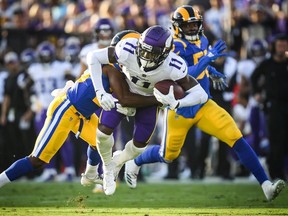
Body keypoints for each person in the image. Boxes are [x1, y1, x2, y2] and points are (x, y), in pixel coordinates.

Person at [124, 5, 286, 201]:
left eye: (195, 25)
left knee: (236, 138)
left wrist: (212, 71)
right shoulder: (173, 45)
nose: (192, 29)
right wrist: (208, 59)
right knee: (167, 155)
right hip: (180, 109)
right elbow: (185, 75)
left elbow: (201, 66)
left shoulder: (204, 39)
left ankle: (266, 185)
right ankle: (135, 162)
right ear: (177, 27)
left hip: (203, 104)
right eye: (188, 26)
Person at [87, 25, 210, 195]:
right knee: (102, 132)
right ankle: (108, 167)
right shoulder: (128, 48)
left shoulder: (174, 66)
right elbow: (93, 57)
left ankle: (119, 161)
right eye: (143, 50)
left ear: (165, 53)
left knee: (139, 147)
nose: (145, 56)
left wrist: (177, 104)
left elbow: (201, 95)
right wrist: (100, 92)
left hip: (149, 101)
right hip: (125, 90)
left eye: (152, 53)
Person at [0, 60, 162, 189]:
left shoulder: (113, 69)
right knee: (37, 160)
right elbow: (125, 99)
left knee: (101, 142)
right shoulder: (112, 70)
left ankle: (90, 174)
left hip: (82, 114)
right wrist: (158, 99)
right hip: (66, 109)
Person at [251, 34, 288, 181]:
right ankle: (275, 173)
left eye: (285, 45)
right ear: (274, 47)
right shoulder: (267, 64)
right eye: (280, 45)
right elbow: (254, 77)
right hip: (274, 105)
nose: (282, 48)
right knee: (276, 140)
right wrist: (257, 93)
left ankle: (282, 171)